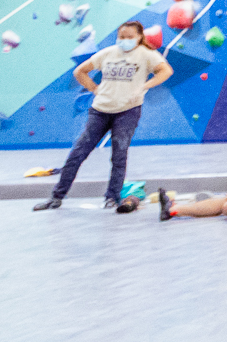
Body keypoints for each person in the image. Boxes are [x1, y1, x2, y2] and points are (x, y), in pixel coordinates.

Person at [34, 20, 173, 212]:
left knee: (119, 155)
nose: (125, 40)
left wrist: (145, 85)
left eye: (130, 37)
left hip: (127, 111)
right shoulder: (108, 53)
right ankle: (56, 197)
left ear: (139, 37)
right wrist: (93, 88)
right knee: (77, 153)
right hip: (100, 111)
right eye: (121, 37)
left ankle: (111, 197)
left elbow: (166, 71)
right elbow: (80, 71)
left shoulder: (146, 55)